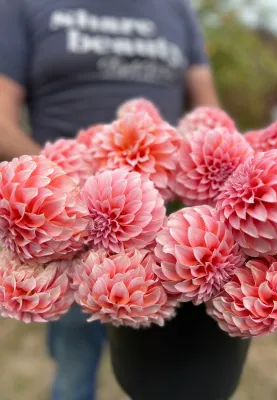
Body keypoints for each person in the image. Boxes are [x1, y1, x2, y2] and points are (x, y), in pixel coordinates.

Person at [0, 1, 248, 399]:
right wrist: (55, 193)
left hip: (171, 224)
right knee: (75, 361)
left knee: (166, 377)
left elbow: (207, 106)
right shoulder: (25, 5)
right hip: (65, 224)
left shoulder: (176, 10)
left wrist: (225, 161)